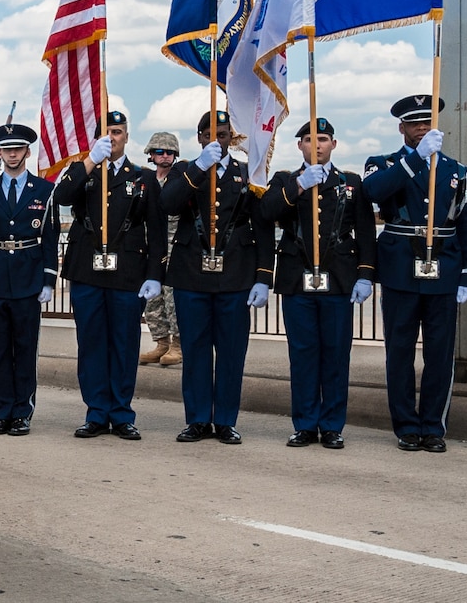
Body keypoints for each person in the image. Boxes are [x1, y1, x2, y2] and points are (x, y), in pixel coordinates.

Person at [363, 94, 467, 453]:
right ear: (401, 128)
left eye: (427, 123)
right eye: (414, 124)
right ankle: (405, 425)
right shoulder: (383, 163)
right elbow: (373, 192)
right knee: (399, 352)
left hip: (444, 270)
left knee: (440, 353)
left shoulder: (458, 171)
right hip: (400, 268)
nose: (422, 129)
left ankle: (433, 425)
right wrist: (415, 161)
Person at [257, 118, 377, 449]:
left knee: (336, 355)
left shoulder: (350, 183)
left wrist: (366, 275)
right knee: (304, 355)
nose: (317, 144)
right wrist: (298, 187)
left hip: (338, 281)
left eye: (323, 139)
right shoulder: (285, 180)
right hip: (297, 281)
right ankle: (306, 424)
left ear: (334, 144)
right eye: (309, 139)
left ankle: (333, 425)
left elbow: (366, 232)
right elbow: (266, 213)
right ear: (299, 146)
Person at [160, 110, 273, 444]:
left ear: (230, 139)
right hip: (191, 274)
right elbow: (169, 203)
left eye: (222, 135)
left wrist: (264, 277)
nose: (216, 141)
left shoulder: (244, 173)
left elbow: (263, 227)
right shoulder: (184, 170)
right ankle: (196, 419)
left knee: (231, 351)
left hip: (235, 274)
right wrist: (199, 167)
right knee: (194, 350)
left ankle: (225, 420)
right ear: (200, 138)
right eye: (210, 135)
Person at [54, 111, 166, 440]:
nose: (112, 137)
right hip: (87, 270)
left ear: (127, 137)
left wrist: (155, 274)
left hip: (127, 272)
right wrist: (90, 161)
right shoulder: (83, 171)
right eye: (106, 132)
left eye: (117, 132)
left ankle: (121, 413)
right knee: (91, 344)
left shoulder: (142, 177)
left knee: (124, 344)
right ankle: (95, 412)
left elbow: (156, 231)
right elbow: (61, 198)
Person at [0, 123, 59, 435]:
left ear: (27, 151)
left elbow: (50, 236)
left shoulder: (44, 190)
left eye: (18, 148)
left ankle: (22, 411)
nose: (12, 154)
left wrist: (49, 279)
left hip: (28, 276)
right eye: (6, 149)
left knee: (25, 349)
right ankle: (2, 411)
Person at [138, 131, 182, 368]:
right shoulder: (144, 180)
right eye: (159, 152)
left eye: (169, 152)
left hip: (174, 246)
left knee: (172, 296)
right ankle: (161, 341)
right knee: (152, 298)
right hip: (151, 247)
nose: (165, 156)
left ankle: (177, 344)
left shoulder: (179, 178)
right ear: (151, 154)